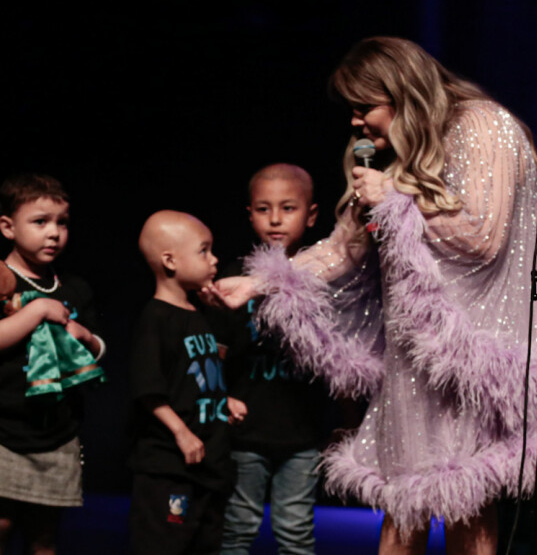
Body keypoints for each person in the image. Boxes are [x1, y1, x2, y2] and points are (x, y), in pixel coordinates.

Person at [208, 37, 537, 555]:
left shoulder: (481, 123)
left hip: (471, 354)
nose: (356, 123)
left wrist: (395, 198)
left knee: (465, 506)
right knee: (401, 510)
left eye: (365, 108)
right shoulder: (399, 159)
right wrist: (258, 282)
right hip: (411, 359)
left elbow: (484, 234)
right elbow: (343, 248)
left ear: (403, 95)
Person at [213, 163, 327, 555]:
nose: (275, 219)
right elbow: (215, 349)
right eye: (263, 209)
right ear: (249, 214)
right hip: (246, 431)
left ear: (311, 215)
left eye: (288, 208)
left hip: (303, 432)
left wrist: (346, 421)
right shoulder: (234, 277)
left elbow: (343, 359)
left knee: (295, 530)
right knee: (238, 527)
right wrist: (220, 395)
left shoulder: (326, 277)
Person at [0, 173, 106, 554]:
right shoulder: (1, 280)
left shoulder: (74, 287)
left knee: (44, 535)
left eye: (62, 223)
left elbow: (99, 349)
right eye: (40, 221)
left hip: (56, 433)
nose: (54, 233)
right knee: (2, 522)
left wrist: (86, 337)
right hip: (5, 430)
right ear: (8, 227)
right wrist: (38, 311)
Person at [127, 210, 234, 555]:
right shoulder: (155, 318)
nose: (214, 259)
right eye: (204, 250)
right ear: (170, 260)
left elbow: (196, 376)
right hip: (170, 469)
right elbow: (148, 387)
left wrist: (224, 400)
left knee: (204, 545)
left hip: (208, 467)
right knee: (164, 544)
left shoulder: (197, 315)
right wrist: (180, 431)